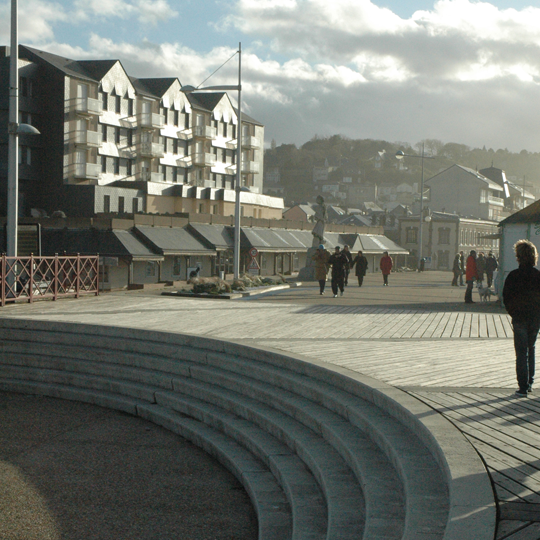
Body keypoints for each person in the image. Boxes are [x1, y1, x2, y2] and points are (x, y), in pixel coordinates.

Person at [502, 240, 540, 398]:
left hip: (519, 318)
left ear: (518, 257)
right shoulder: (538, 276)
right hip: (535, 317)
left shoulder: (513, 276)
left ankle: (522, 387)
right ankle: (530, 382)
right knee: (531, 348)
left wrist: (514, 313)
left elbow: (507, 298)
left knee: (521, 352)